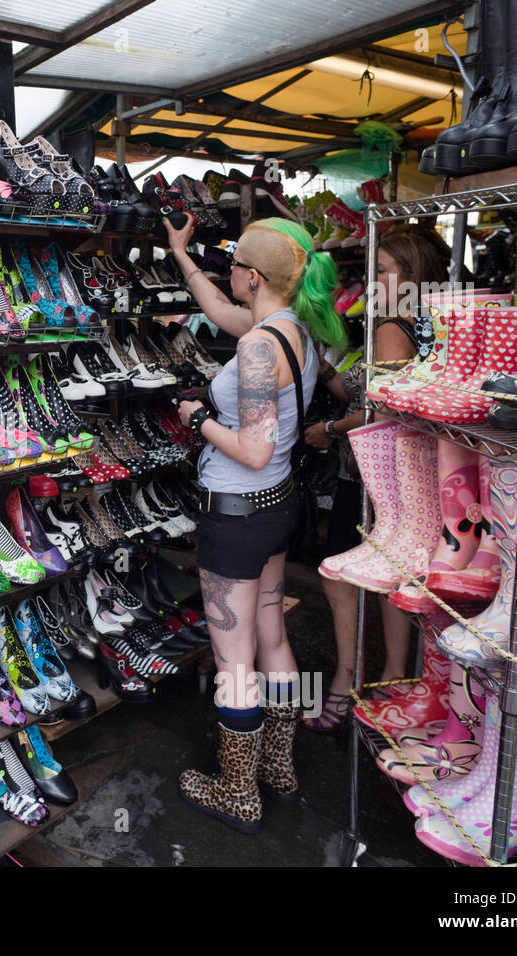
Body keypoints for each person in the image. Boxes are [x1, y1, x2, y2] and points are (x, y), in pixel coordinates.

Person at [164, 213, 346, 833]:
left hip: (238, 516)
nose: (229, 274)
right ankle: (280, 767)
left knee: (235, 660)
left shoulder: (259, 347)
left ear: (253, 275)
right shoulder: (294, 328)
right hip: (277, 510)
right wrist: (182, 256)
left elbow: (255, 448)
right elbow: (219, 310)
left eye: (233, 265)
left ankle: (237, 792)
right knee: (273, 640)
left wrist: (195, 419)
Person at [299, 226, 454, 731]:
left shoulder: (392, 328)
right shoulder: (439, 323)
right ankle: (395, 681)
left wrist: (325, 429)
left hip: (375, 474)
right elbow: (360, 393)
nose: (372, 280)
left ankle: (349, 684)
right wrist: (322, 365)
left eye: (382, 270)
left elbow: (376, 415)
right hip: (424, 475)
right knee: (397, 581)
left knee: (344, 576)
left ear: (411, 275)